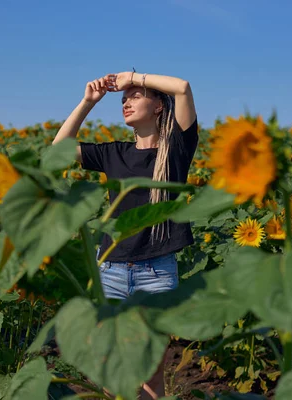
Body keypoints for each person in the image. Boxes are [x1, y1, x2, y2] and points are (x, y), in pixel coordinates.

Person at [52, 71, 198, 399]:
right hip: (111, 274)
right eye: (123, 99)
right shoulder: (114, 154)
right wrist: (88, 101)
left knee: (151, 373)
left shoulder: (176, 149)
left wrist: (131, 77)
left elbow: (183, 88)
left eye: (134, 96)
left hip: (157, 275)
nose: (125, 102)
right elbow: (59, 148)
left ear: (159, 105)